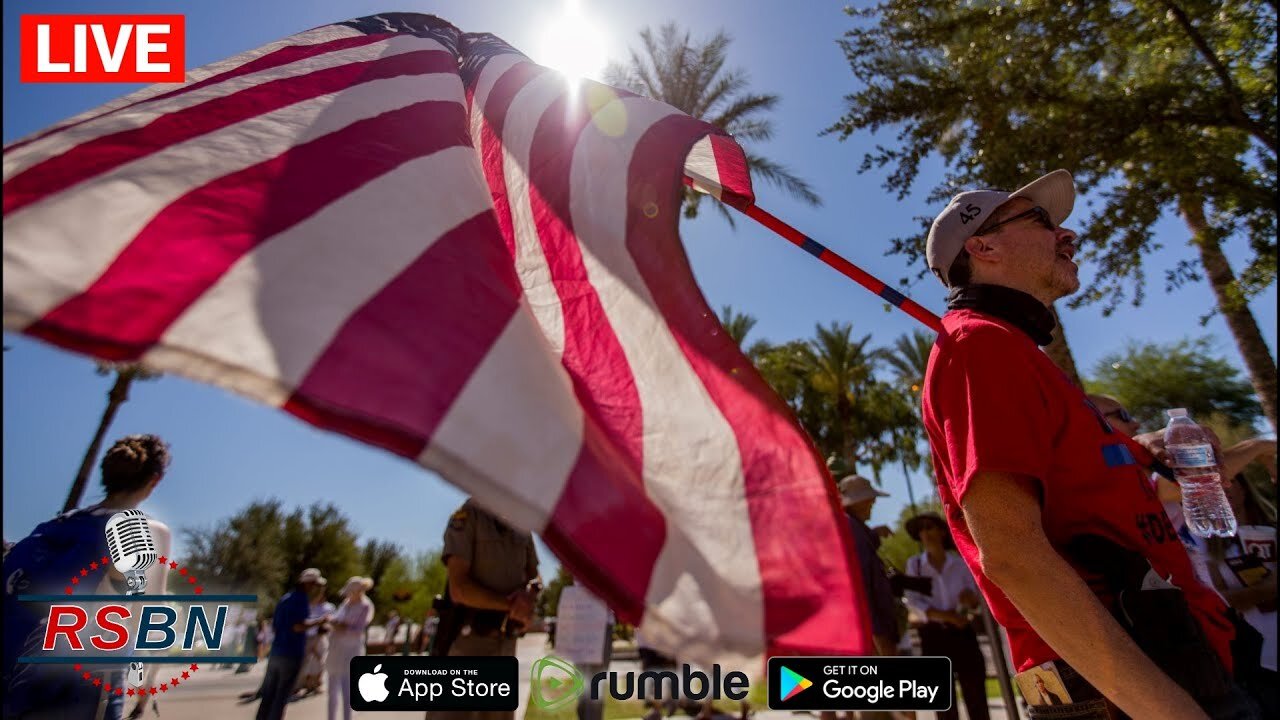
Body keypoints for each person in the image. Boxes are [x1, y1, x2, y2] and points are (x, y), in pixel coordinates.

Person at [920, 169, 1258, 719]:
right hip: (1133, 689)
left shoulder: (1016, 353)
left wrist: (1143, 444)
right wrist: (1166, 710)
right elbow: (1012, 553)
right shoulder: (979, 346)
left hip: (1186, 658)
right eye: (1042, 222)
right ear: (982, 246)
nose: (1068, 237)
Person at [3, 434, 173, 720]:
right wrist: (144, 690)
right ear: (154, 480)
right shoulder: (147, 530)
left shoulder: (58, 525)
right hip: (88, 684)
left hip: (24, 676)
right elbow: (146, 619)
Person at [429, 498, 540, 720]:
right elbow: (459, 589)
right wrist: (511, 606)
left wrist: (530, 593)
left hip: (505, 647)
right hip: (468, 647)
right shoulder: (469, 516)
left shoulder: (522, 524)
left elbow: (534, 574)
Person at [903, 512, 988, 720]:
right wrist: (945, 616)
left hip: (962, 633)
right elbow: (913, 603)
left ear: (941, 531)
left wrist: (970, 601)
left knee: (975, 693)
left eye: (929, 526)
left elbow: (976, 597)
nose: (925, 533)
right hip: (933, 637)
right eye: (921, 529)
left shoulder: (960, 563)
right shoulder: (914, 565)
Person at [257, 568, 328, 720]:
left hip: (276, 652)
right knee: (281, 696)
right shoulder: (300, 599)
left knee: (269, 695)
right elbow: (298, 626)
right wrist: (319, 621)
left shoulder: (285, 599)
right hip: (291, 653)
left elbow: (276, 626)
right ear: (309, 584)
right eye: (316, 586)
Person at [328, 576, 374, 720]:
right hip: (336, 648)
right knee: (332, 689)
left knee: (347, 689)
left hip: (351, 650)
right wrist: (333, 623)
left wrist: (341, 627)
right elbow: (336, 619)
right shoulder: (345, 604)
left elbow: (358, 629)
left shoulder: (365, 606)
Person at [296, 577, 335, 696]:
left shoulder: (329, 607)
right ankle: (302, 683)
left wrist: (326, 627)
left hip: (322, 636)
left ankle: (317, 683)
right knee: (306, 661)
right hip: (308, 635)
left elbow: (332, 621)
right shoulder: (309, 605)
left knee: (320, 660)